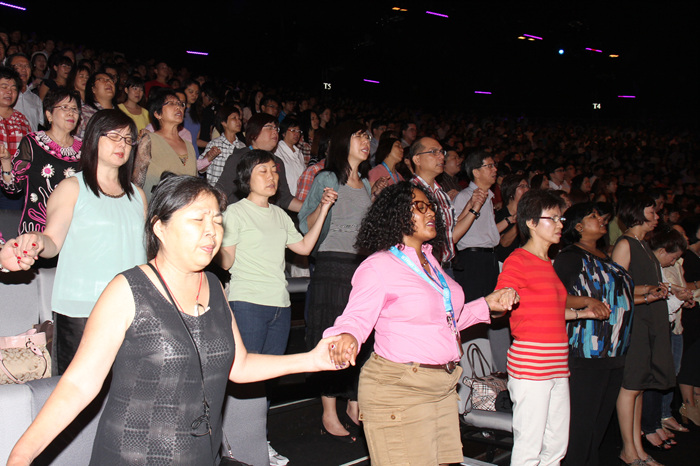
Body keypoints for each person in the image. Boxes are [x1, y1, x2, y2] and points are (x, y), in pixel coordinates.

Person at [6, 175, 344, 466]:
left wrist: (312, 359)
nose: (212, 232)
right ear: (160, 228)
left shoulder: (214, 287)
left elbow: (239, 366)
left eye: (217, 221)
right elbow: (78, 384)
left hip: (202, 455)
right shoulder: (128, 290)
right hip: (134, 456)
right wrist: (21, 455)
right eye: (198, 220)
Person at [323, 181, 519, 465]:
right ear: (397, 214)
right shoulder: (379, 266)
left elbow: (444, 320)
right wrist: (347, 335)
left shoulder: (430, 261)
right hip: (401, 387)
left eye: (431, 207)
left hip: (442, 387)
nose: (430, 213)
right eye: (420, 207)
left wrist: (486, 305)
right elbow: (355, 316)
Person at [216, 150, 337, 464]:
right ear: (246, 178)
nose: (272, 177)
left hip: (279, 306)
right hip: (247, 304)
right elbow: (226, 262)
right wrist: (213, 234)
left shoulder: (281, 215)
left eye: (274, 171)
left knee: (267, 381)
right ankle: (233, 445)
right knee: (244, 378)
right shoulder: (234, 213)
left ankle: (257, 440)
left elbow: (304, 247)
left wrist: (323, 208)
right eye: (263, 171)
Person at [4, 109, 147, 374]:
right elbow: (52, 241)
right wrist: (36, 241)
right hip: (82, 309)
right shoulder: (72, 187)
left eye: (128, 139)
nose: (122, 144)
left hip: (130, 309)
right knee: (77, 392)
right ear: (93, 139)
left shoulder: (138, 195)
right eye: (114, 136)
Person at [495, 189, 610, 466]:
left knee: (556, 446)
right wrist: (504, 296)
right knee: (529, 447)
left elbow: (550, 310)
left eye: (561, 219)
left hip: (557, 363)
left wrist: (583, 313)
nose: (560, 224)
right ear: (531, 222)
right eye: (554, 218)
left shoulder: (548, 263)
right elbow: (501, 298)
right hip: (531, 364)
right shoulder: (518, 260)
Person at [298, 120, 375, 442]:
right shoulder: (327, 178)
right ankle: (329, 410)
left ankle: (354, 403)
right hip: (332, 265)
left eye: (368, 137)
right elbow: (304, 224)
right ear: (344, 141)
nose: (366, 141)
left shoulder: (366, 183)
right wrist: (323, 204)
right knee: (331, 333)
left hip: (361, 268)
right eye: (359, 136)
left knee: (360, 336)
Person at [553, 203, 635, 466]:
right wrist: (586, 301)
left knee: (598, 426)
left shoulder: (604, 257)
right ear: (577, 226)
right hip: (587, 351)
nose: (601, 220)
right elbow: (556, 298)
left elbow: (615, 296)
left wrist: (647, 293)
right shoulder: (570, 257)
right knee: (581, 426)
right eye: (593, 216)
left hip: (614, 349)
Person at [612, 194, 674, 466]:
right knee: (630, 386)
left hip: (649, 320)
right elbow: (616, 291)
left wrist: (658, 291)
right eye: (652, 211)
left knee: (639, 387)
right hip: (635, 322)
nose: (657, 216)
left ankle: (637, 449)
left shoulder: (643, 244)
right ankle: (628, 450)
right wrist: (649, 293)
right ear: (637, 212)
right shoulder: (625, 244)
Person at [0, 88, 82, 234]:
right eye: (64, 107)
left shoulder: (84, 149)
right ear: (49, 115)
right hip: (37, 228)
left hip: (72, 228)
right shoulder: (33, 143)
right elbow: (13, 188)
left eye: (74, 109)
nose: (71, 113)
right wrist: (6, 162)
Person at [216, 113, 301, 212]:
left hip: (268, 217)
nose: (275, 131)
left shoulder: (277, 162)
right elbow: (221, 191)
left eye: (276, 128)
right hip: (242, 217)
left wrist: (312, 210)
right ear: (254, 132)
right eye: (269, 127)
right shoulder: (239, 158)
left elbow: (285, 199)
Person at [132, 89, 197, 202]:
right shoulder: (149, 140)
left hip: (185, 208)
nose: (178, 107)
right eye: (171, 103)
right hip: (157, 207)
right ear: (157, 114)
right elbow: (137, 183)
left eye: (180, 104)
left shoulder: (189, 145)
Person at [0, 66, 31, 210]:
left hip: (13, 186)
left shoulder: (21, 119)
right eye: (4, 87)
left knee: (10, 221)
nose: (9, 92)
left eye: (13, 88)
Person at [200, 104, 246, 186]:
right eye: (234, 118)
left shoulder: (242, 146)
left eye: (239, 118)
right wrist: (208, 158)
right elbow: (200, 168)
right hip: (215, 190)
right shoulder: (215, 144)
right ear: (224, 122)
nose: (239, 121)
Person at [8, 53, 43, 131]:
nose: (23, 69)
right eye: (19, 66)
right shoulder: (4, 96)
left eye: (27, 66)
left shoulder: (36, 99)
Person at [76, 71, 116, 138]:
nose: (108, 82)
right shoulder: (84, 114)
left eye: (110, 80)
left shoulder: (120, 114)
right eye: (101, 80)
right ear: (93, 89)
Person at [274, 116, 306, 196]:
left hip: (299, 196)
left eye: (298, 131)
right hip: (284, 196)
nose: (297, 134)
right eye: (293, 130)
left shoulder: (299, 153)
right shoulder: (277, 150)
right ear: (283, 133)